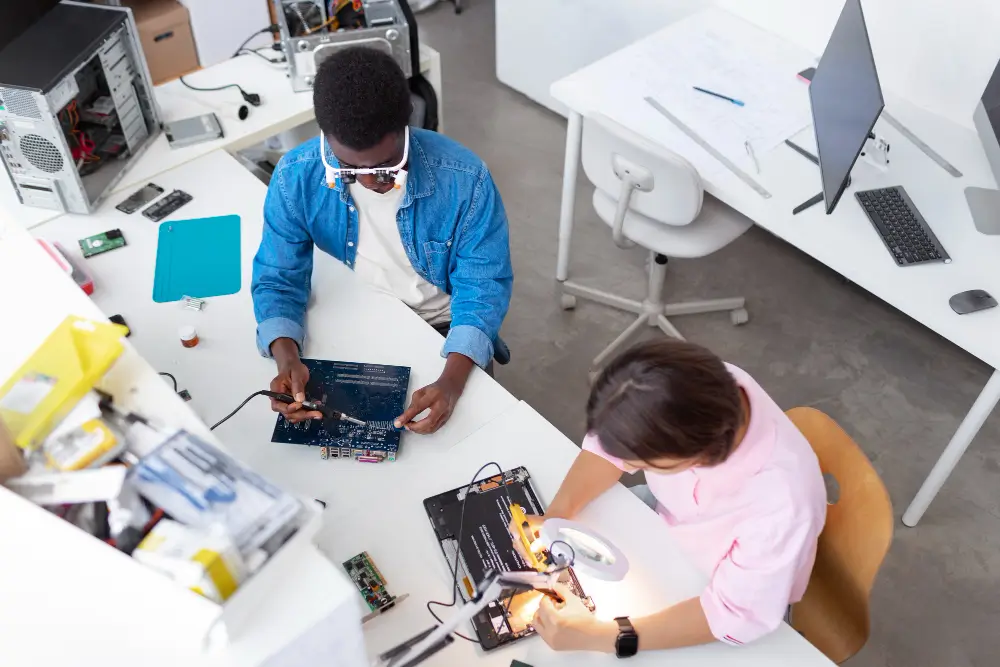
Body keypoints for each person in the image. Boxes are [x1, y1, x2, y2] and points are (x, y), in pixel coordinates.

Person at [251, 47, 512, 434]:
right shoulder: (295, 177)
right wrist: (287, 357)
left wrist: (451, 384)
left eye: (389, 164)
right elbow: (277, 277)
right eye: (351, 168)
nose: (373, 180)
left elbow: (483, 288)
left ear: (407, 126)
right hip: (364, 319)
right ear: (327, 137)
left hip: (444, 331)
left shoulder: (464, 179)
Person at [516, 339, 827, 655]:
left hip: (740, 592)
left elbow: (732, 614)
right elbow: (609, 447)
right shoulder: (692, 386)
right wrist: (556, 515)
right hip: (666, 521)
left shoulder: (780, 508)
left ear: (695, 458)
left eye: (640, 463)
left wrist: (604, 636)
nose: (628, 465)